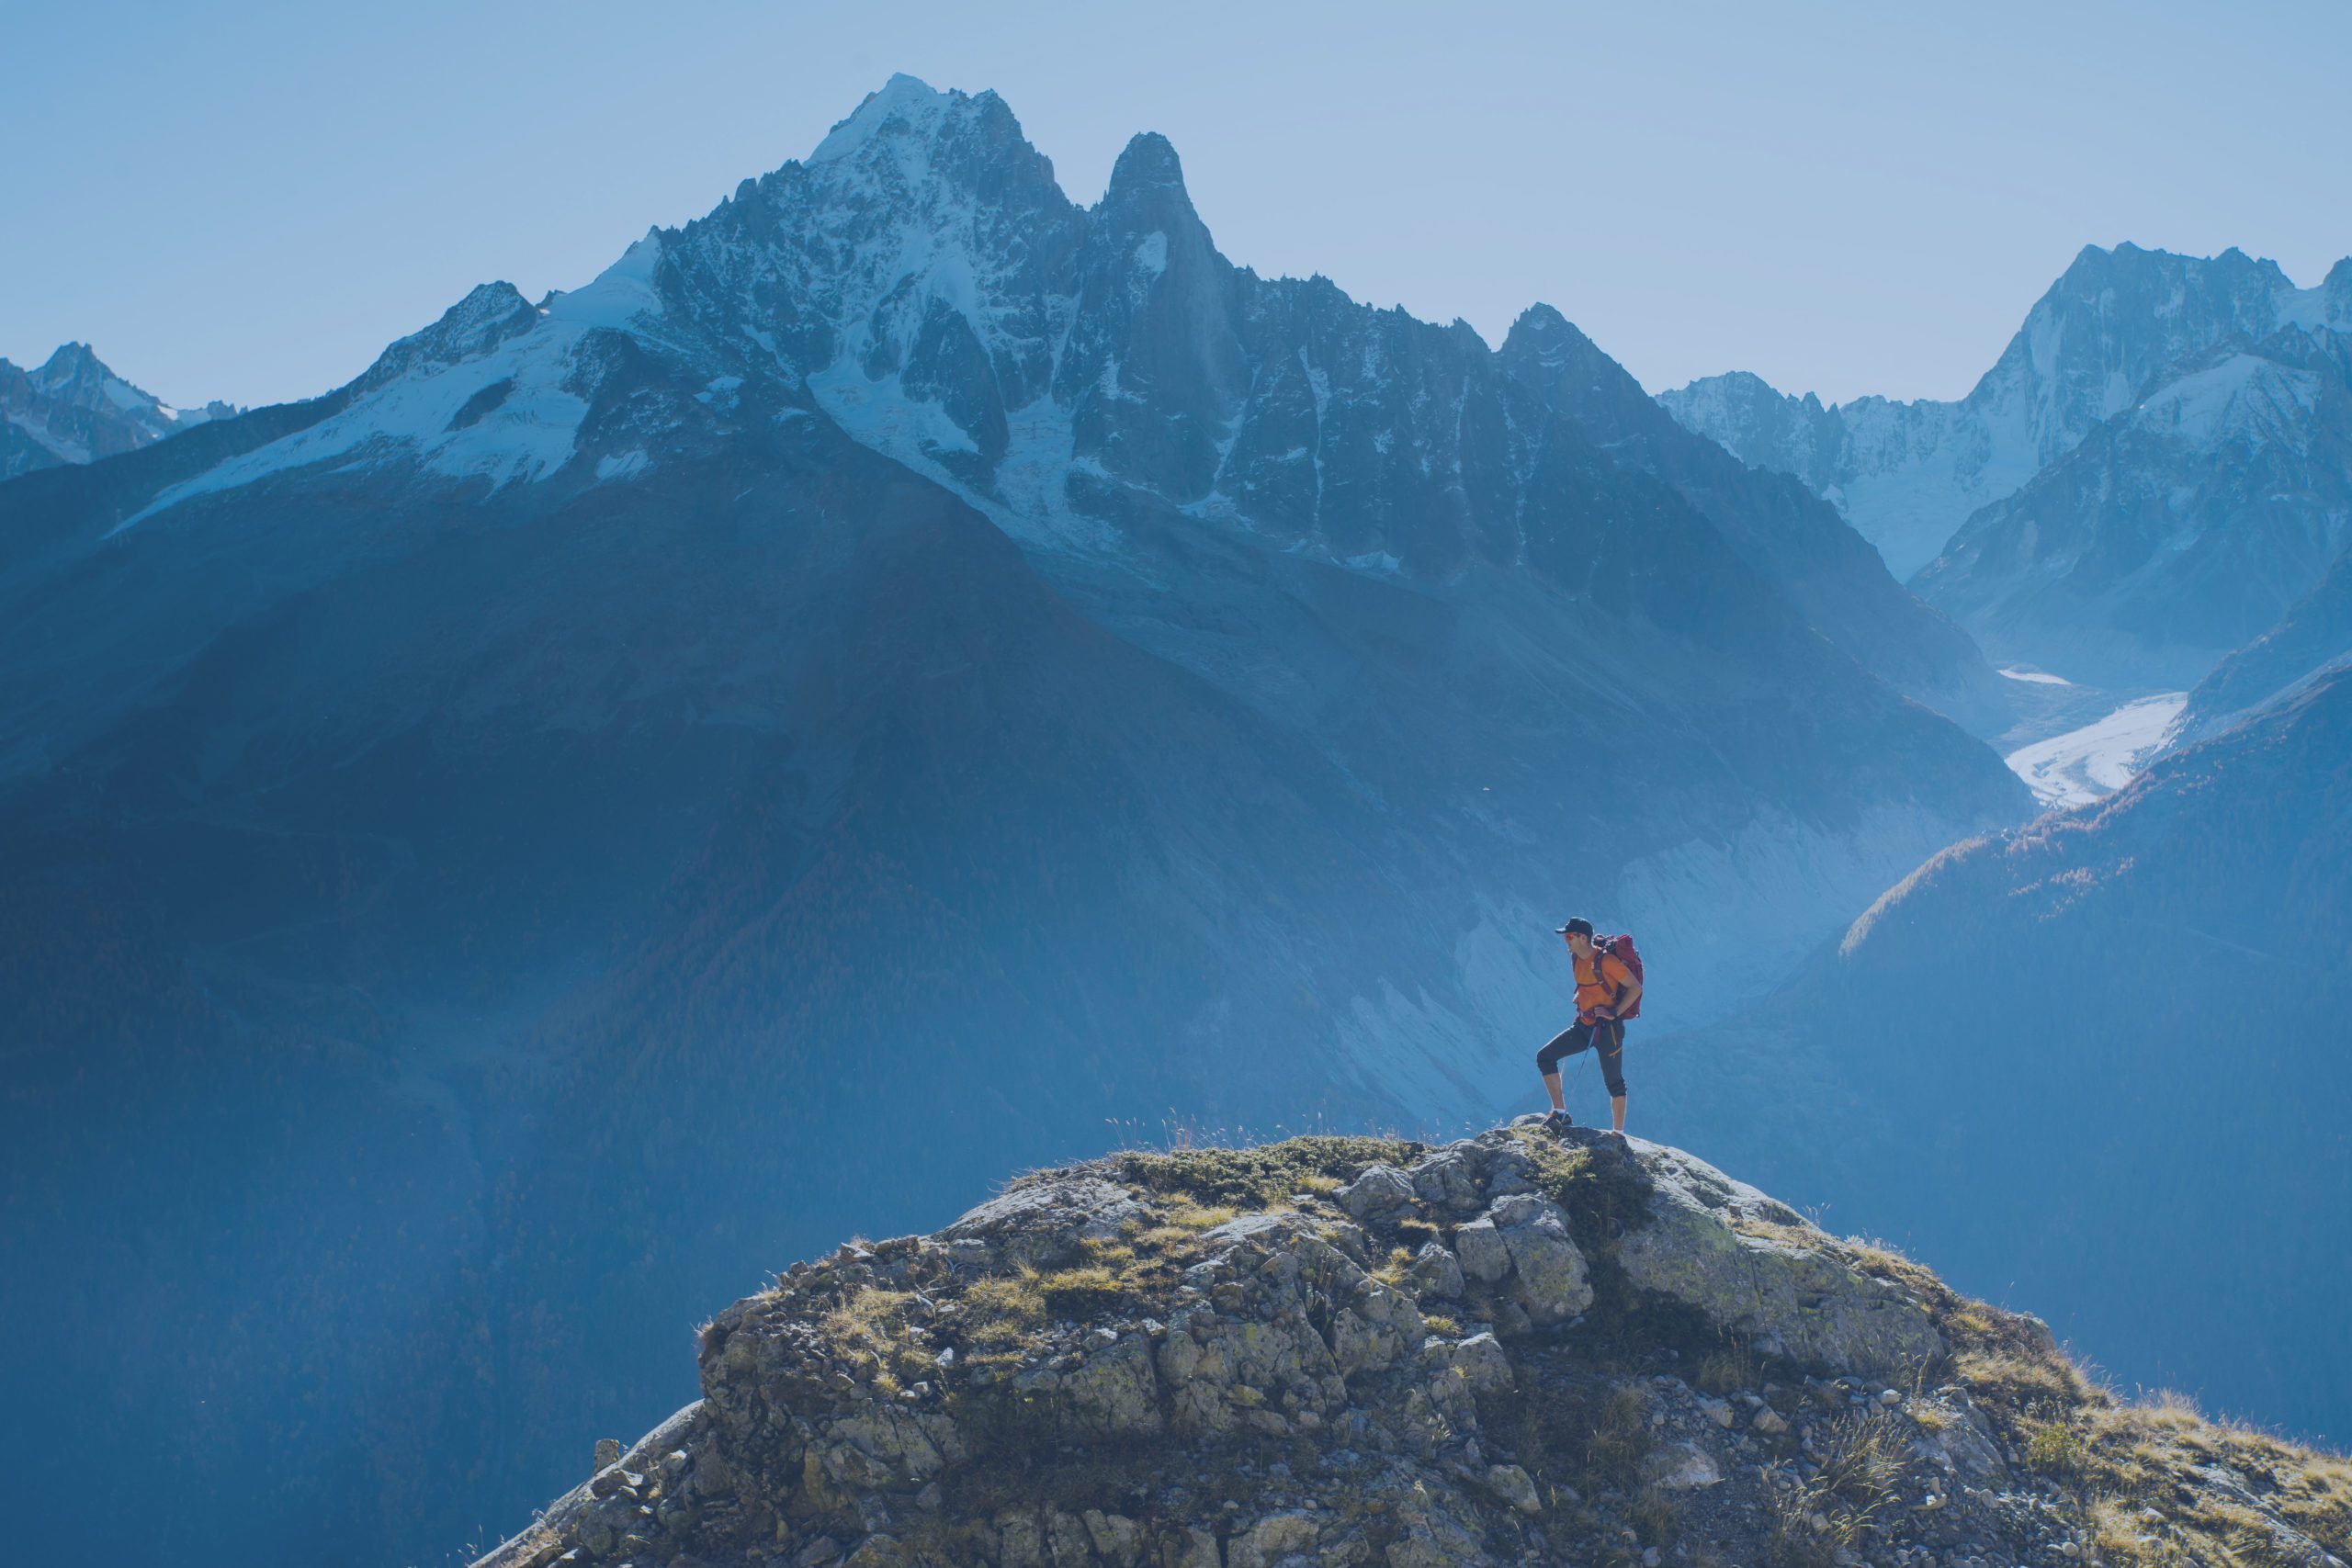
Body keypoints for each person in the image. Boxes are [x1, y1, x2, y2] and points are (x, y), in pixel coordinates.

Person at [1536, 917, 1639, 1134]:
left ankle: (1618, 1135)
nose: (1566, 941)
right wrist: (1580, 997)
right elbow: (1587, 984)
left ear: (1583, 938)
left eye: (1570, 936)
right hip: (1584, 1025)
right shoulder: (1575, 957)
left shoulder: (1606, 961)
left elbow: (1635, 987)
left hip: (1608, 1030)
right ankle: (1559, 1113)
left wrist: (1614, 1012)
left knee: (1615, 1083)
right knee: (1545, 1057)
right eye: (1566, 936)